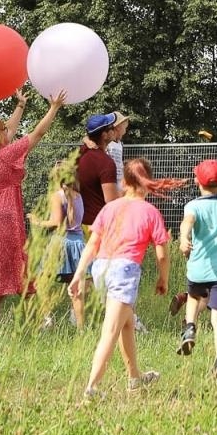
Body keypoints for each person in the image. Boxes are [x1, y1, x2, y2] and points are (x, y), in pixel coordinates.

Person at [69, 157, 177, 400]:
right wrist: (163, 279)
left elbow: (93, 244)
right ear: (146, 181)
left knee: (126, 324)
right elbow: (162, 254)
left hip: (101, 270)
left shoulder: (110, 207)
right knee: (111, 330)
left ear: (124, 182)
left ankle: (134, 379)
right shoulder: (150, 211)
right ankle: (92, 388)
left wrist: (78, 275)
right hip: (124, 271)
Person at [0, 89, 67, 324]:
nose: (9, 131)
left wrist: (20, 106)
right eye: (4, 131)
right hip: (3, 219)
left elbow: (9, 130)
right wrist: (53, 108)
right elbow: (38, 133)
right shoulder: (7, 155)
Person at [176, 160, 217, 382]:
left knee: (194, 298)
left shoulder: (193, 206)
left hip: (198, 268)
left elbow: (188, 222)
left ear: (197, 181)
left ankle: (190, 328)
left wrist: (184, 238)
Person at [38, 160, 87, 329]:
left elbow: (56, 222)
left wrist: (37, 222)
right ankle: (80, 326)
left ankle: (47, 319)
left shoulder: (57, 196)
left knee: (41, 281)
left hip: (60, 244)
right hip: (79, 245)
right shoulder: (79, 196)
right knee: (75, 289)